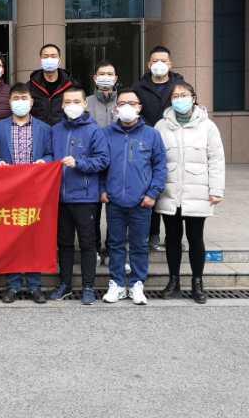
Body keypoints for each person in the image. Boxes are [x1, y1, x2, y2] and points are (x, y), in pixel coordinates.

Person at [155, 82, 225, 304]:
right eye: (175, 96)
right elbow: (155, 159)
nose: (179, 99)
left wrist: (216, 189)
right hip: (170, 191)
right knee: (172, 238)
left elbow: (216, 159)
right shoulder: (161, 126)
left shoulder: (208, 126)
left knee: (196, 238)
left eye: (183, 95)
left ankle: (197, 282)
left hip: (198, 190)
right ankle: (173, 281)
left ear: (193, 97)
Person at [100, 88, 167, 306]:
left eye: (132, 103)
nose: (127, 107)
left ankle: (137, 283)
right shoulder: (106, 134)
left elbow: (160, 167)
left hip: (142, 201)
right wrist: (102, 189)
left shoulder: (151, 134)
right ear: (116, 109)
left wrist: (153, 193)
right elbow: (101, 165)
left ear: (139, 107)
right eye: (122, 103)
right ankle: (117, 284)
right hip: (114, 201)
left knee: (139, 245)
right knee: (115, 244)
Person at [0, 83, 53, 304]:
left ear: (31, 102)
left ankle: (35, 285)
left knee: (34, 238)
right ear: (10, 102)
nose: (20, 102)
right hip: (10, 192)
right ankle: (13, 285)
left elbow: (51, 154)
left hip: (36, 191)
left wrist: (45, 162)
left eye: (24, 98)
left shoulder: (44, 128)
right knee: (11, 238)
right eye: (16, 98)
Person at [48, 88, 110, 305]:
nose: (71, 105)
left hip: (85, 197)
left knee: (87, 244)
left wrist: (79, 163)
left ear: (85, 104)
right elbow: (49, 156)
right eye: (67, 102)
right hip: (60, 197)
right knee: (64, 243)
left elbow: (103, 160)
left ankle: (88, 286)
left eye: (76, 101)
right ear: (62, 105)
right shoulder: (55, 130)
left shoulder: (94, 131)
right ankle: (65, 284)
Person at [132, 45, 185, 252]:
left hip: (174, 143)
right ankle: (152, 234)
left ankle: (174, 237)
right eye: (155, 61)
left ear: (170, 64)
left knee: (173, 190)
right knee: (150, 188)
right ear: (149, 64)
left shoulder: (180, 86)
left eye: (163, 61)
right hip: (146, 143)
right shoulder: (139, 87)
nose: (159, 64)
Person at [86, 59, 119, 262]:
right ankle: (95, 249)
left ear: (115, 78)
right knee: (93, 212)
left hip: (118, 166)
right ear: (95, 78)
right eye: (102, 74)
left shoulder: (123, 103)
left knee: (116, 213)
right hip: (93, 165)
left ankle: (113, 250)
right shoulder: (86, 103)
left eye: (109, 74)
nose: (106, 77)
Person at [29, 43, 80, 126]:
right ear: (40, 60)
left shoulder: (72, 86)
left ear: (59, 60)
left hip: (64, 131)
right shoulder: (30, 87)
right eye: (45, 56)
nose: (49, 59)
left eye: (53, 56)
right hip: (39, 132)